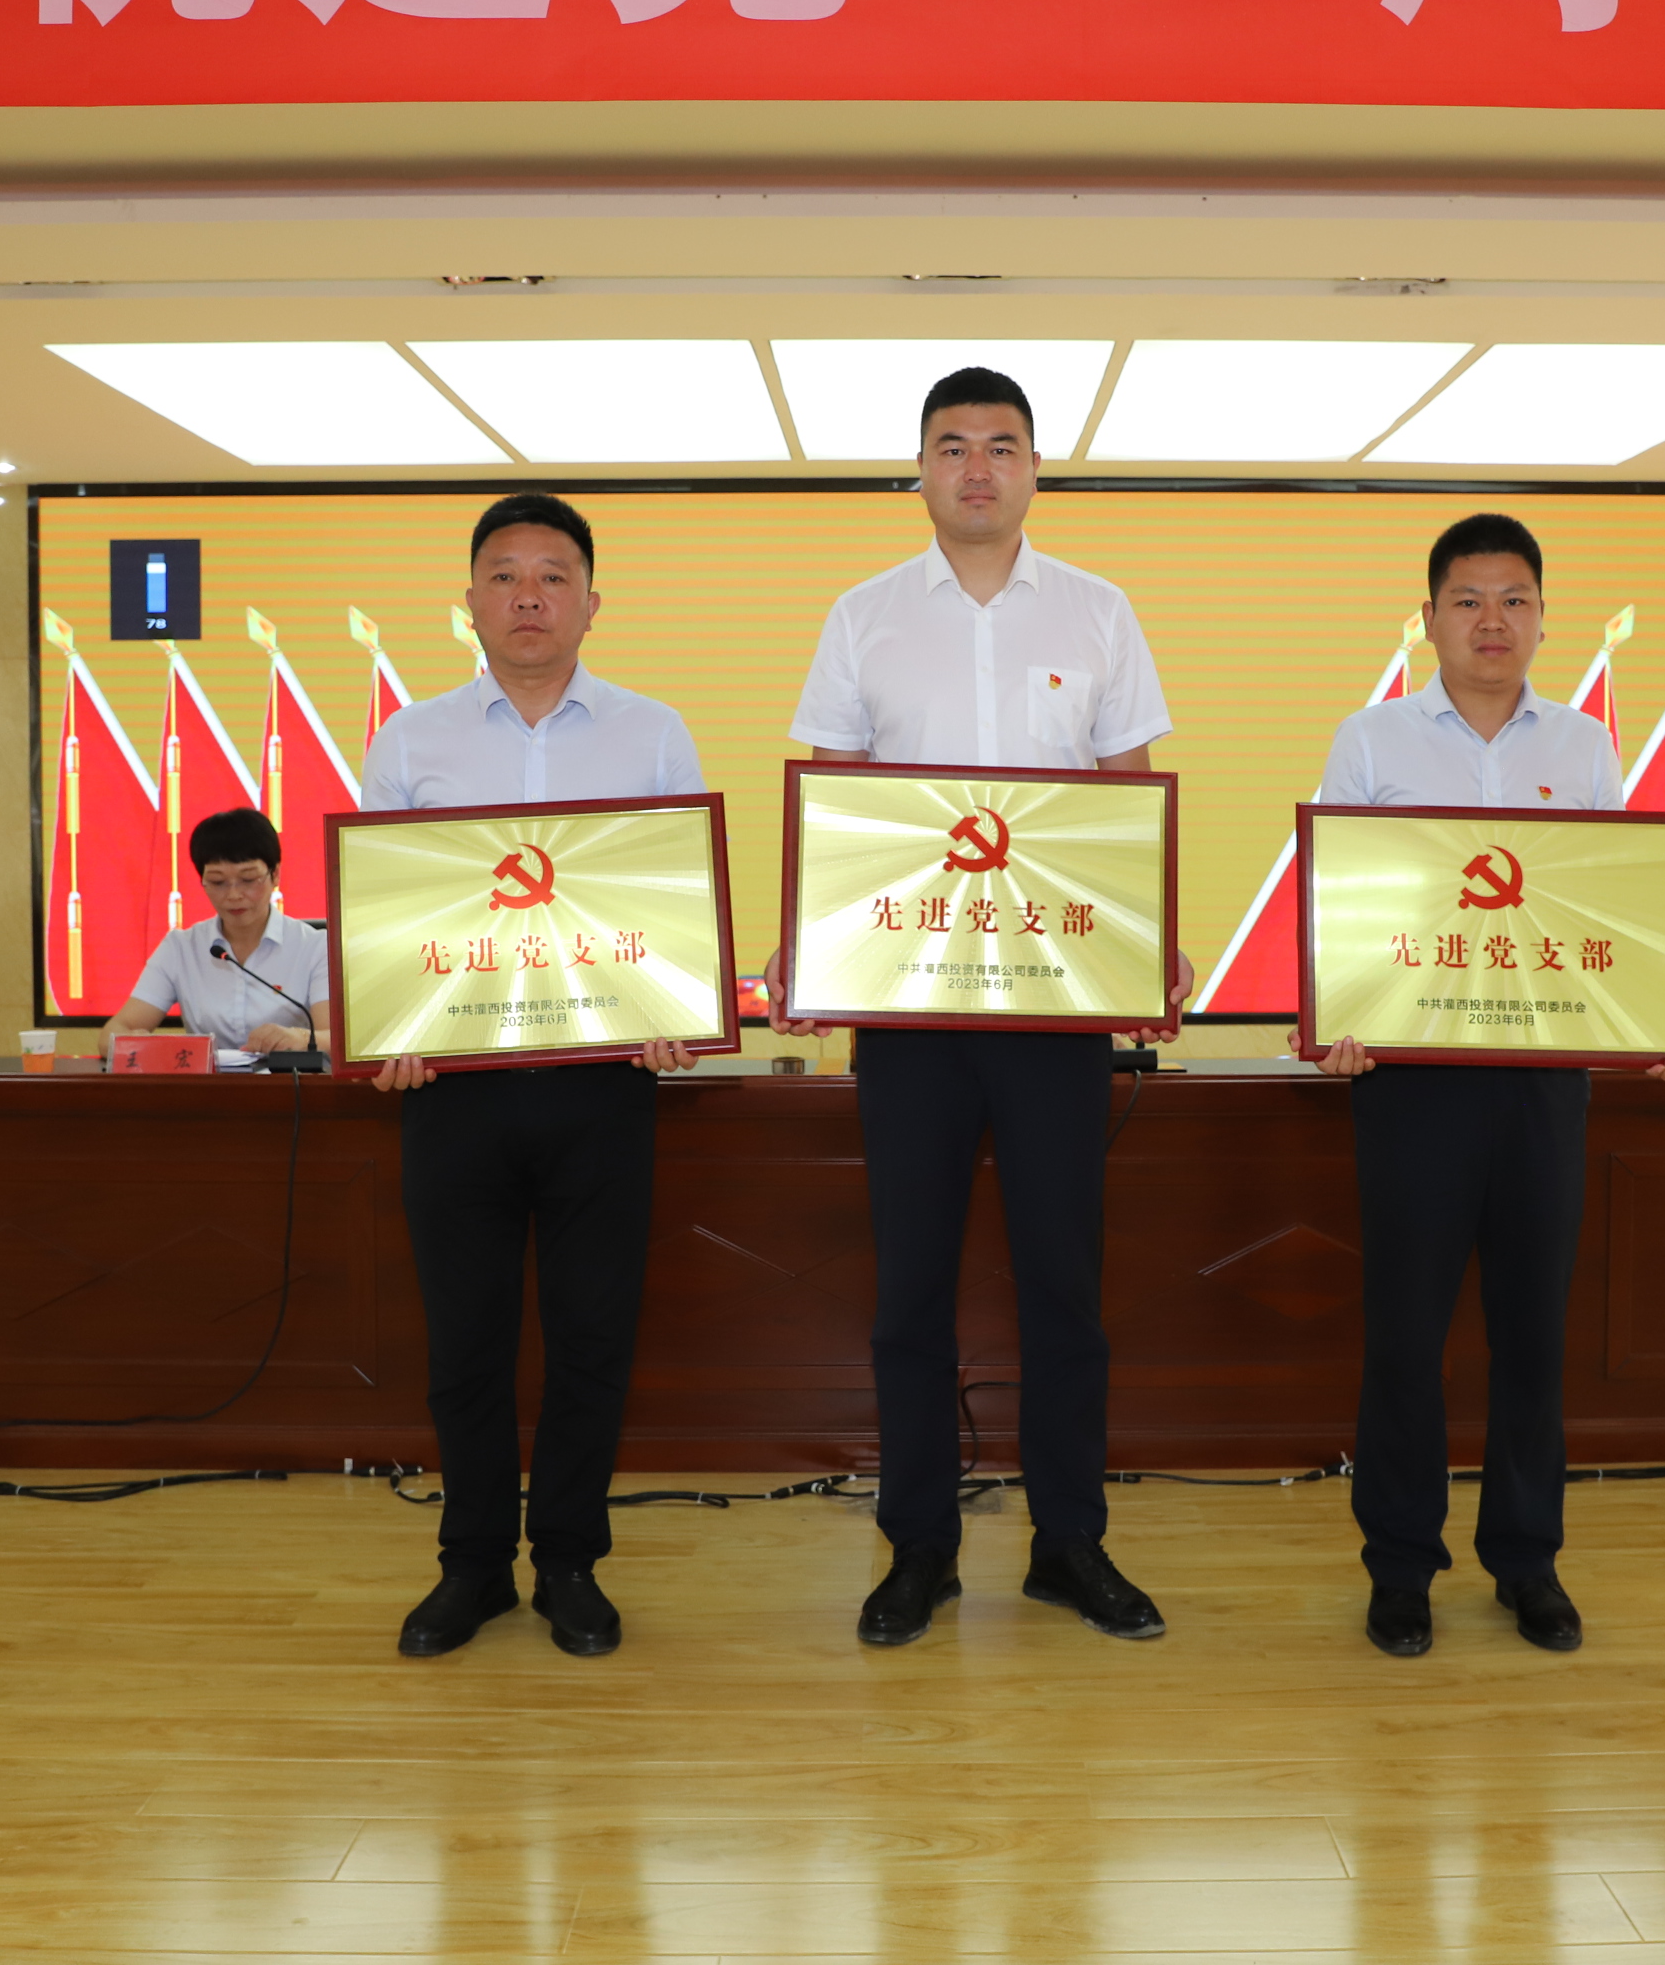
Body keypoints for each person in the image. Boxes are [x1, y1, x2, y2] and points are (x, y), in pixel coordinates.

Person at [771, 365, 1188, 1650]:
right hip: (910, 1011)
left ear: (1034, 469)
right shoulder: (864, 617)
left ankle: (1070, 1545)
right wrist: (808, 943)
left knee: (1066, 1286)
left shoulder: (1101, 612)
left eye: (1001, 445)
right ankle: (920, 1550)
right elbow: (837, 805)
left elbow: (1128, 798)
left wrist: (1152, 940)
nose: (976, 468)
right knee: (911, 1291)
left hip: (1058, 1010)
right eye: (951, 446)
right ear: (920, 470)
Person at [1305, 515, 1665, 1660]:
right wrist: (1335, 1019)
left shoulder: (1583, 746)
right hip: (1412, 1083)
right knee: (1406, 1337)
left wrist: (1658, 1025)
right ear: (1429, 616)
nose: (1492, 620)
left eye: (1514, 599)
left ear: (1540, 617)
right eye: (1469, 599)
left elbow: (1611, 910)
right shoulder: (1372, 739)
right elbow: (1344, 903)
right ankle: (1400, 1567)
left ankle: (1527, 1560)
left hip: (1540, 1082)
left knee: (1533, 1335)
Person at [361, 492, 705, 1663]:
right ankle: (471, 1565)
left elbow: (671, 902)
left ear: (591, 603)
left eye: (553, 576)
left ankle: (568, 1561)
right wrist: (392, 1022)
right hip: (452, 1087)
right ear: (468, 601)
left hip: (601, 1083)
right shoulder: (411, 741)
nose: (527, 596)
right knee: (465, 1341)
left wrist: (672, 1013)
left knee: (591, 1334)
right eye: (503, 574)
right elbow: (382, 914)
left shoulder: (652, 732)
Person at [105, 807, 328, 1054]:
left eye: (248, 879)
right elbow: (114, 1032)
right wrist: (137, 1043)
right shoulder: (181, 947)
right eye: (218, 882)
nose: (234, 895)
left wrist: (301, 1038)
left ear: (275, 874)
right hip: (207, 1079)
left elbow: (334, 1039)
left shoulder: (316, 947)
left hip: (288, 1078)